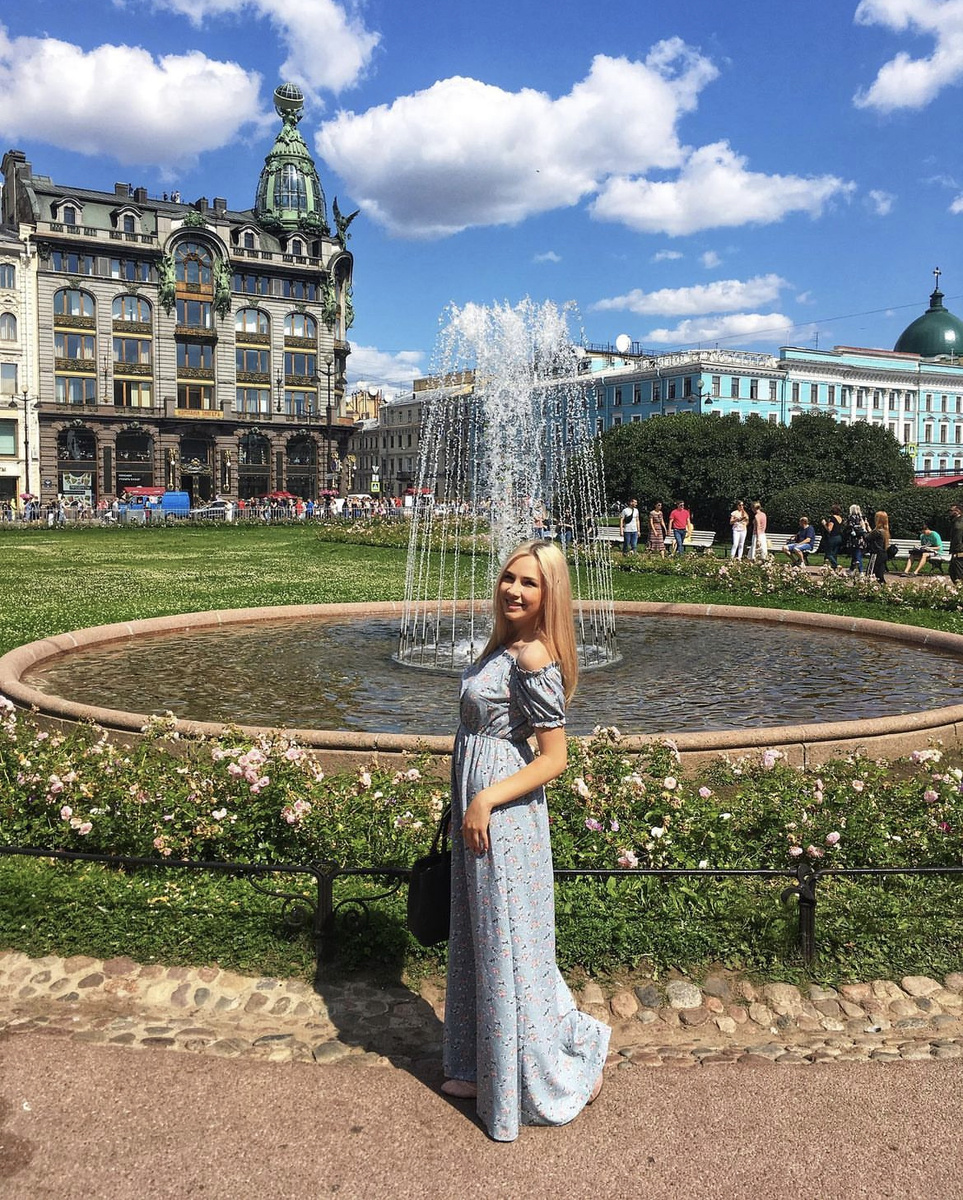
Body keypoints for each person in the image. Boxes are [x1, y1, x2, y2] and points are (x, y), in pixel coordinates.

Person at [443, 540, 610, 1142]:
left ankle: (544, 1074)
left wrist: (485, 798)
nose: (513, 590)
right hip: (481, 808)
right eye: (509, 578)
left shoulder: (535, 656)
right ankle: (481, 1064)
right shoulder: (503, 645)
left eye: (529, 583)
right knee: (480, 938)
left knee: (507, 943)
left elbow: (554, 758)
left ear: (549, 594)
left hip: (505, 818)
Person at [865, 510, 891, 581]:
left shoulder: (877, 531)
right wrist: (868, 526)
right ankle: (884, 587)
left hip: (876, 555)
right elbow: (872, 534)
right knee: (879, 576)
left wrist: (863, 528)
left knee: (869, 574)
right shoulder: (884, 531)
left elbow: (867, 538)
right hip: (883, 555)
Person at [845, 504, 870, 575]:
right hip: (862, 539)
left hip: (855, 540)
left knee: (857, 555)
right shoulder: (861, 518)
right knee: (855, 555)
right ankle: (852, 569)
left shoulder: (851, 518)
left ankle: (861, 571)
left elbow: (850, 527)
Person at [820, 505, 845, 571]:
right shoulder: (840, 518)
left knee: (828, 553)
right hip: (839, 537)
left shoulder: (832, 518)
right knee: (834, 553)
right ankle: (834, 568)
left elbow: (829, 529)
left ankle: (836, 565)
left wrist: (824, 524)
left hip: (832, 537)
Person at [949, 503, 963, 584]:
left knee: (957, 575)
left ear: (957, 511)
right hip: (958, 552)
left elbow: (958, 539)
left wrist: (956, 552)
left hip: (959, 553)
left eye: (951, 510)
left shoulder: (958, 524)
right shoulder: (956, 522)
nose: (949, 512)